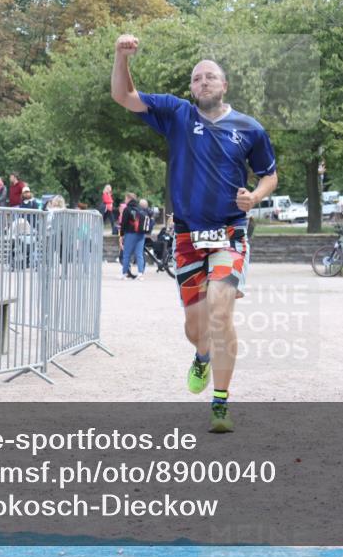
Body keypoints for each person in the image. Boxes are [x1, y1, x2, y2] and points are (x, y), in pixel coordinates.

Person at [111, 33, 278, 432]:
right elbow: (124, 96)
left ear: (224, 86)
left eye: (210, 77)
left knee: (221, 310)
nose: (202, 82)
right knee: (196, 328)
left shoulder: (249, 128)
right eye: (196, 78)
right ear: (191, 88)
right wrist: (121, 57)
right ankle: (202, 355)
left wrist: (253, 196)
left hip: (230, 232)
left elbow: (269, 175)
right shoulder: (177, 114)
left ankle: (220, 404)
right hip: (187, 237)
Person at [119, 192, 147, 280]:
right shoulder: (140, 208)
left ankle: (124, 274)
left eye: (125, 198)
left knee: (126, 254)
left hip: (130, 234)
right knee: (139, 254)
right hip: (141, 234)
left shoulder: (127, 209)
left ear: (129, 199)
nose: (125, 200)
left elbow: (123, 224)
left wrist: (121, 235)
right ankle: (140, 274)